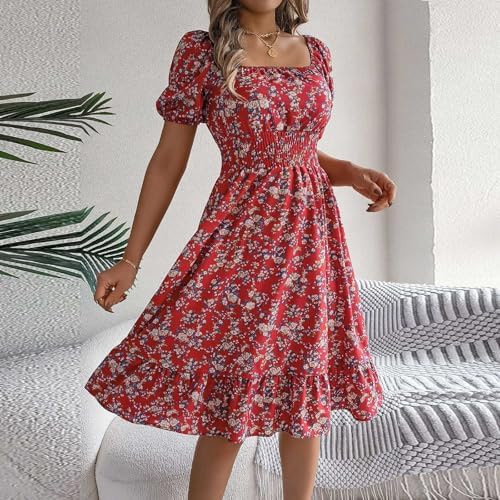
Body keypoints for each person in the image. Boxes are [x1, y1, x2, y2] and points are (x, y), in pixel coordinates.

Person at [85, 1, 397, 499]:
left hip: (311, 239)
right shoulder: (201, 52)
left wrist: (349, 172)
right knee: (233, 387)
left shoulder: (316, 53)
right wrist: (130, 259)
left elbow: (294, 145)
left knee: (303, 375)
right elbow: (169, 160)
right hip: (243, 238)